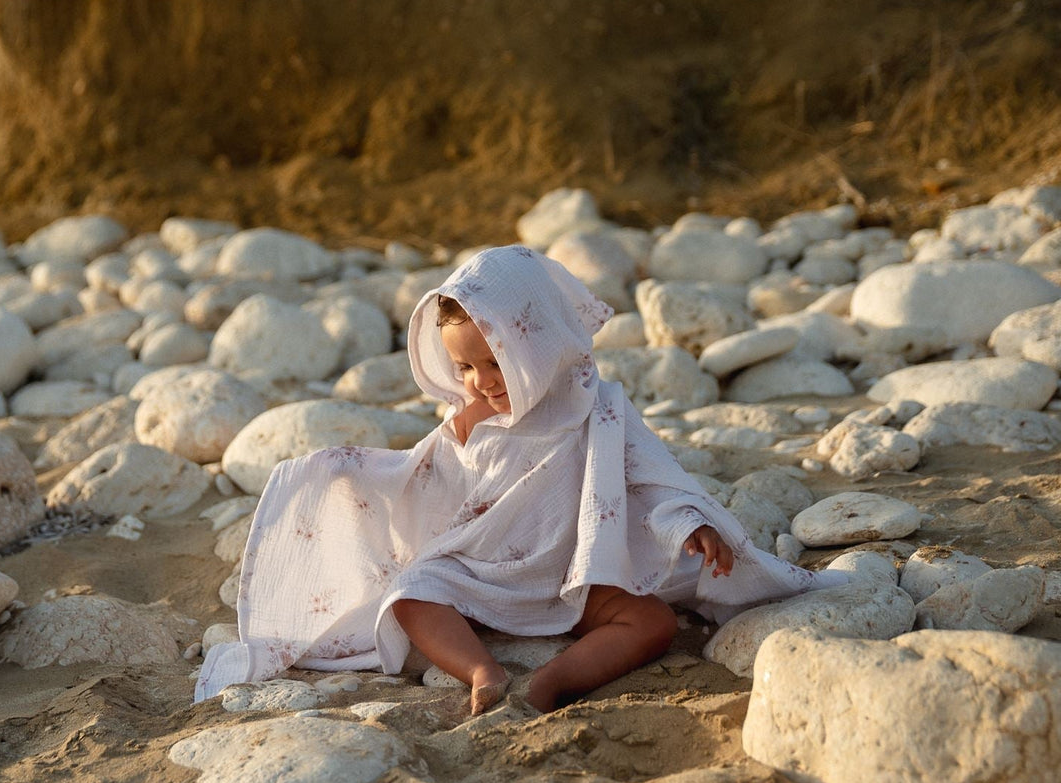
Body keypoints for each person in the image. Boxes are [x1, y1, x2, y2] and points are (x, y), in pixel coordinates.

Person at [194, 244, 845, 712]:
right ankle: (483, 669)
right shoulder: (469, 415)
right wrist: (356, 472)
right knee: (412, 594)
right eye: (465, 366)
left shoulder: (598, 404)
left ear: (535, 338)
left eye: (493, 360)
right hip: (490, 574)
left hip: (578, 572)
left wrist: (692, 521)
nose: (480, 380)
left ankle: (553, 681)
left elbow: (650, 472)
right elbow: (425, 483)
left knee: (652, 623)